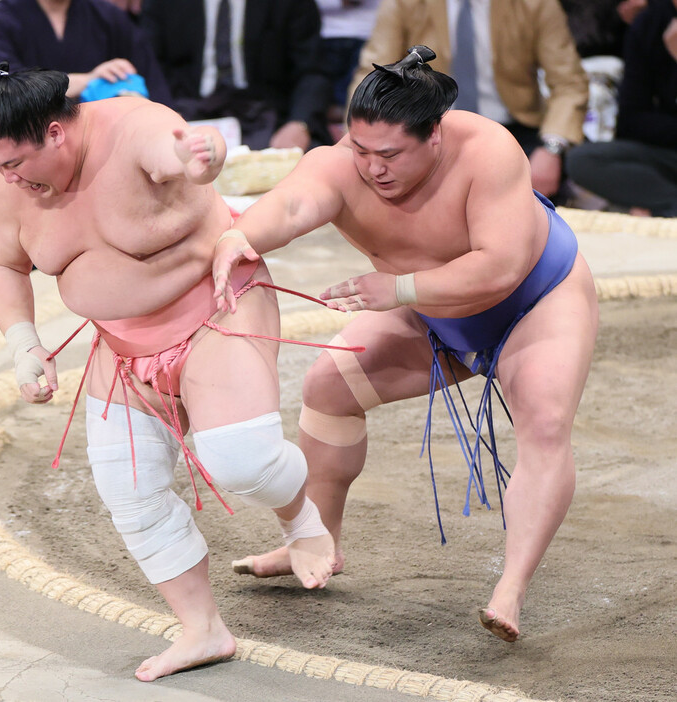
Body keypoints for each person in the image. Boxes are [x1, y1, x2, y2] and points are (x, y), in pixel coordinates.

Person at [0, 65, 336, 681]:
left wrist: (203, 153)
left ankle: (303, 523)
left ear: (56, 134)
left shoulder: (134, 128)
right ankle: (202, 629)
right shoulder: (16, 185)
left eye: (14, 163)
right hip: (121, 345)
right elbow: (1, 261)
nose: (6, 178)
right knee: (128, 493)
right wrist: (24, 342)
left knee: (241, 458)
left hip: (214, 309)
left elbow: (181, 153)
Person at [213, 46, 599, 643]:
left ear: (435, 137)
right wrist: (240, 236)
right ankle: (317, 542)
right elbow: (293, 203)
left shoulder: (489, 150)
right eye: (360, 150)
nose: (372, 168)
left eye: (389, 154)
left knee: (546, 423)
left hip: (535, 302)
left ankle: (511, 588)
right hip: (430, 315)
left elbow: (501, 266)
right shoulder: (341, 164)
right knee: (328, 386)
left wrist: (396, 287)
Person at [348, 0, 589, 204]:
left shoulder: (536, 4)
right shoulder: (404, 3)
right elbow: (372, 74)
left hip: (515, 131)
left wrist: (552, 149)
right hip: (426, 130)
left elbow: (569, 83)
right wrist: (364, 139)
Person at [0, 0, 172, 193]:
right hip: (22, 140)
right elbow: (6, 88)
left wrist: (163, 131)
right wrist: (89, 79)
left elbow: (153, 83)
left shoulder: (108, 16)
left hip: (98, 143)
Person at [139, 0, 331, 151]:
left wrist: (300, 123)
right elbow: (150, 66)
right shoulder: (163, 3)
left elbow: (313, 70)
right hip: (186, 112)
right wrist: (166, 116)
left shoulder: (288, 4)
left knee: (313, 163)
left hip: (268, 116)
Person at [566, 0, 677, 217]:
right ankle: (670, 203)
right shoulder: (650, 21)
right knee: (583, 161)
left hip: (666, 139)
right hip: (667, 155)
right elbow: (630, 121)